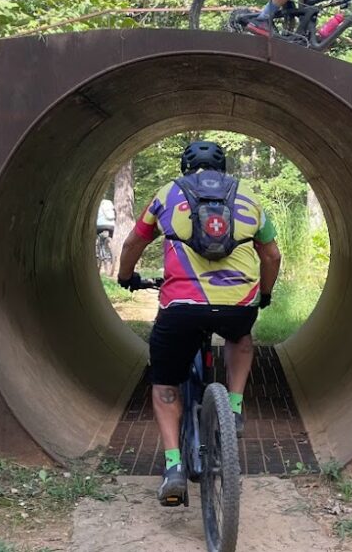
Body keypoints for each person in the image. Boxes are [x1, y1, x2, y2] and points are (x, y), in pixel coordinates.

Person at [115, 140, 282, 507]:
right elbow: (271, 254)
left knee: (163, 381)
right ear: (223, 168)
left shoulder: (167, 195)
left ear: (185, 166)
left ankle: (173, 467)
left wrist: (126, 277)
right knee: (240, 336)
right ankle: (234, 405)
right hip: (237, 304)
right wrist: (264, 294)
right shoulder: (249, 198)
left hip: (181, 307)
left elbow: (132, 243)